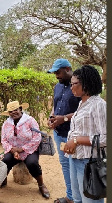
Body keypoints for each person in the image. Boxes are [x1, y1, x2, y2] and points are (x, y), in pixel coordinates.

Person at [63, 65, 106, 203]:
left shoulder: (98, 105)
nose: (71, 87)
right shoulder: (82, 103)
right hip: (75, 159)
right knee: (77, 199)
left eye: (74, 84)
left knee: (90, 201)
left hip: (89, 162)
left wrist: (76, 140)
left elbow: (105, 138)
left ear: (86, 83)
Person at [0, 101, 50, 199]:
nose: (13, 112)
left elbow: (37, 137)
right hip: (13, 150)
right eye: (11, 111)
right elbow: (4, 139)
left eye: (16, 110)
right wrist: (13, 151)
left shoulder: (30, 121)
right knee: (4, 161)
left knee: (32, 163)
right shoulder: (6, 123)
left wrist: (22, 149)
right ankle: (3, 179)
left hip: (29, 149)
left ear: (20, 109)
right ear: (8, 113)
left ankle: (41, 185)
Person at [47, 58, 81, 203]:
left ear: (68, 69)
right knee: (66, 165)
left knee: (77, 166)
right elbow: (55, 105)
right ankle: (70, 197)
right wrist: (52, 117)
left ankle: (79, 198)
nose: (56, 76)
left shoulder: (80, 87)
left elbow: (84, 111)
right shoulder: (57, 86)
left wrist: (64, 119)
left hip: (73, 135)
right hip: (59, 134)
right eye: (54, 73)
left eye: (58, 72)